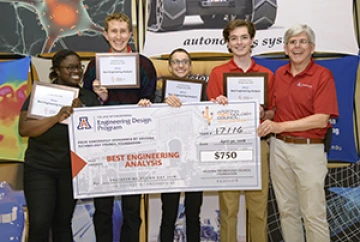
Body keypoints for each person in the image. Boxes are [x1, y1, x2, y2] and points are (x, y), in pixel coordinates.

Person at [257, 24, 338, 242]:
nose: (297, 46)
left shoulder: (323, 75)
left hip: (309, 150)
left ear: (312, 47)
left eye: (303, 41)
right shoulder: (279, 75)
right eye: (292, 42)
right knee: (287, 212)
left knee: (313, 215)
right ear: (285, 48)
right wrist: (259, 113)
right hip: (279, 148)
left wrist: (279, 127)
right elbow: (274, 112)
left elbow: (321, 118)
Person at [82, 12, 157, 242]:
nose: (118, 36)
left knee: (132, 209)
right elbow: (85, 105)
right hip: (102, 147)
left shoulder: (144, 64)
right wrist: (101, 97)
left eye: (123, 31)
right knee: (103, 208)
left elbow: (150, 99)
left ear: (131, 34)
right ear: (105, 35)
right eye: (113, 31)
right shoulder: (95, 66)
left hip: (134, 147)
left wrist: (146, 104)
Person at [18, 49, 100, 242]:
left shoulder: (87, 98)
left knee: (63, 224)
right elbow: (24, 129)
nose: (76, 71)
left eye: (79, 67)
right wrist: (57, 117)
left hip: (70, 170)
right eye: (69, 67)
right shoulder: (42, 94)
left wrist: (83, 114)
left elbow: (97, 135)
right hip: (40, 168)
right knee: (39, 223)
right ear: (57, 70)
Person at [206, 19, 274, 242]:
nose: (239, 42)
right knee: (228, 208)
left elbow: (274, 114)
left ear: (252, 40)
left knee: (259, 208)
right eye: (234, 38)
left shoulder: (266, 74)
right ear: (228, 43)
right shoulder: (218, 73)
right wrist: (219, 106)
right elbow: (209, 116)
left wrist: (264, 113)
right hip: (229, 147)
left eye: (244, 37)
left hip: (257, 145)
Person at [159, 48, 203, 242]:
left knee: (193, 214)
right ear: (169, 66)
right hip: (170, 162)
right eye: (176, 62)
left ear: (190, 65)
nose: (180, 65)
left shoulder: (203, 90)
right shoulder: (158, 92)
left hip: (193, 160)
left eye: (185, 61)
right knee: (168, 214)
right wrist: (159, 103)